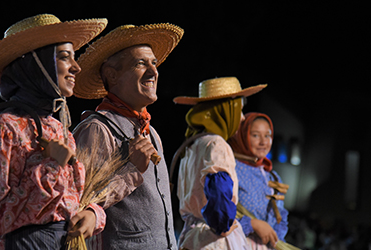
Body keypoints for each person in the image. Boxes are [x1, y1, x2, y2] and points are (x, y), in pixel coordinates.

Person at [0, 14, 108, 249]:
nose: (76, 67)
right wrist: (51, 166)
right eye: (63, 57)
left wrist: (93, 214)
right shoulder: (6, 127)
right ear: (36, 65)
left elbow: (71, 202)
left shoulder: (60, 129)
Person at [72, 23, 184, 249]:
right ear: (112, 76)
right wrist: (131, 170)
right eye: (141, 63)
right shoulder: (96, 129)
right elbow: (80, 204)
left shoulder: (151, 132)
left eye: (154, 63)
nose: (154, 71)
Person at [173, 77, 267, 249]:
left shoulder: (192, 145)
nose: (242, 117)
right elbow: (218, 188)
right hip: (212, 240)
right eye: (238, 110)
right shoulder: (217, 144)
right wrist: (222, 224)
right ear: (225, 110)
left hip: (191, 238)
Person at [229, 112, 290, 249]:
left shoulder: (272, 177)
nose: (263, 142)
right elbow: (219, 217)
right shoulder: (231, 169)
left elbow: (280, 216)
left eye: (267, 135)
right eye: (255, 135)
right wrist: (251, 224)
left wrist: (276, 239)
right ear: (243, 136)